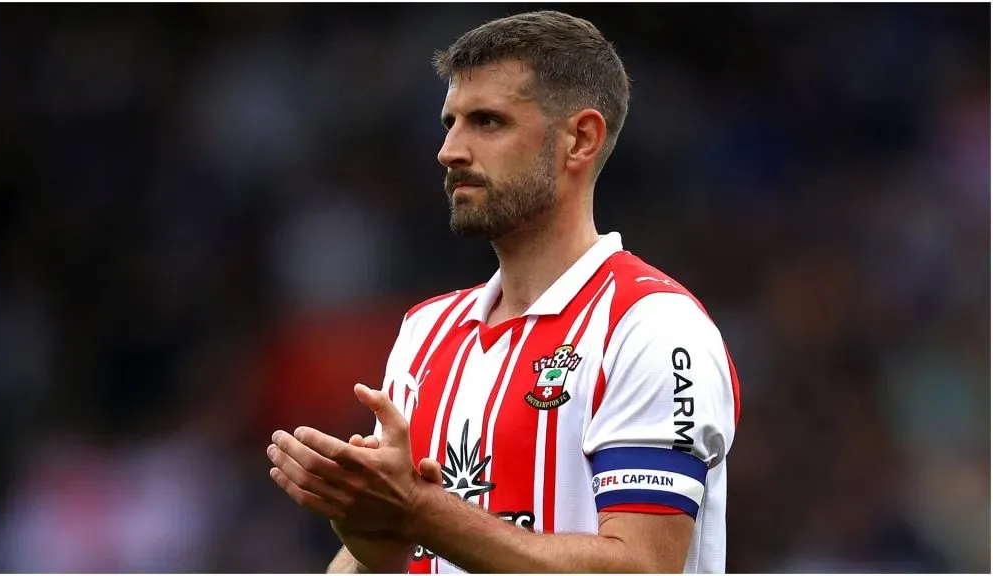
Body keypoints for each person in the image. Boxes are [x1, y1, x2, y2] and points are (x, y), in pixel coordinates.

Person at [266, 10, 741, 574]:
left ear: (580, 140)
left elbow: (642, 567)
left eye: (487, 122)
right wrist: (376, 545)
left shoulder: (651, 327)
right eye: (450, 122)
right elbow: (391, 551)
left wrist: (419, 513)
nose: (450, 150)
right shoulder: (425, 333)